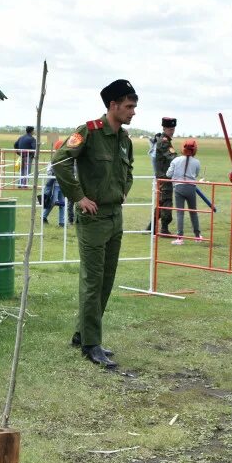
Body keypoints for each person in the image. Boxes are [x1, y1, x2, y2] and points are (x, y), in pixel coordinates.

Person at [53, 79, 135, 369]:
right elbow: (60, 161)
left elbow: (129, 171)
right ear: (112, 106)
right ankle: (91, 344)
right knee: (92, 280)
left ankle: (83, 333)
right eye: (128, 106)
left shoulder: (125, 139)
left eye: (134, 106)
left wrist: (124, 188)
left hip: (115, 217)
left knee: (107, 280)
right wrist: (78, 197)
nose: (133, 112)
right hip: (93, 218)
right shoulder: (88, 131)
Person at [167, 139, 203, 244]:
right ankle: (197, 236)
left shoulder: (175, 160)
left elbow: (168, 174)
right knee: (193, 212)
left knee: (180, 213)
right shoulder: (197, 162)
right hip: (191, 188)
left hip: (178, 187)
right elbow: (195, 175)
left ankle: (180, 238)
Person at [147, 117, 177, 235]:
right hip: (165, 177)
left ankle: (151, 227)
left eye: (173, 128)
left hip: (163, 176)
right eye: (170, 129)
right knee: (167, 201)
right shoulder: (164, 141)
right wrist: (182, 162)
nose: (172, 131)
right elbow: (172, 156)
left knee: (161, 201)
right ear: (164, 128)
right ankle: (164, 228)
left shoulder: (164, 139)